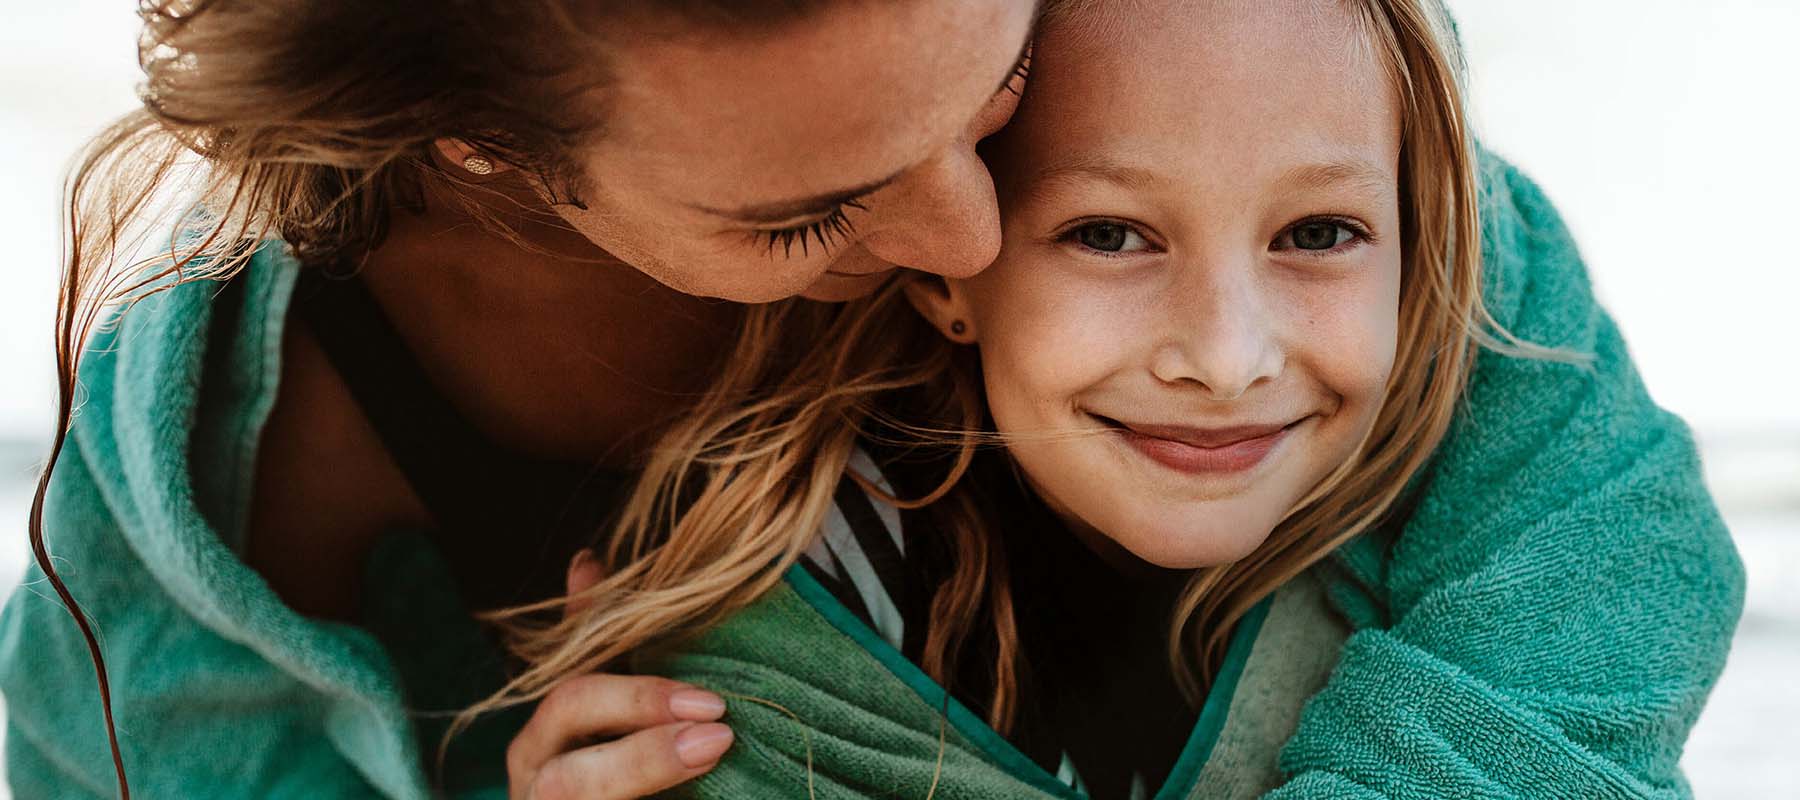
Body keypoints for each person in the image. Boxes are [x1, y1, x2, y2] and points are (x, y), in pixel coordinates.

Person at [500, 0, 1746, 797]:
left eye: (1320, 230)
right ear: (951, 261)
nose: (1225, 353)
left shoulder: (1490, 349)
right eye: (1109, 233)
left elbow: (1620, 555)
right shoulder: (754, 639)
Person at [0, 1, 1039, 797]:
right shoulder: (232, 477)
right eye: (809, 219)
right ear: (473, 132)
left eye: (1008, 85)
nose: (973, 243)